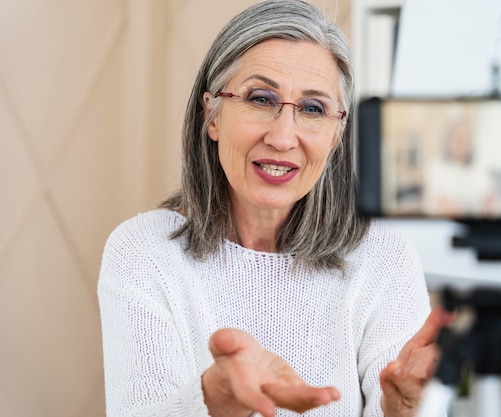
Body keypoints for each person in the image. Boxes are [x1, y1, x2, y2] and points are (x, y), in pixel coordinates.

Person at [98, 1, 454, 416]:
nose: (284, 137)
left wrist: (405, 408)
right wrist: (213, 400)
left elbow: (399, 402)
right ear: (211, 115)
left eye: (313, 108)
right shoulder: (143, 252)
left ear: (337, 134)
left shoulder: (384, 259)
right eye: (261, 99)